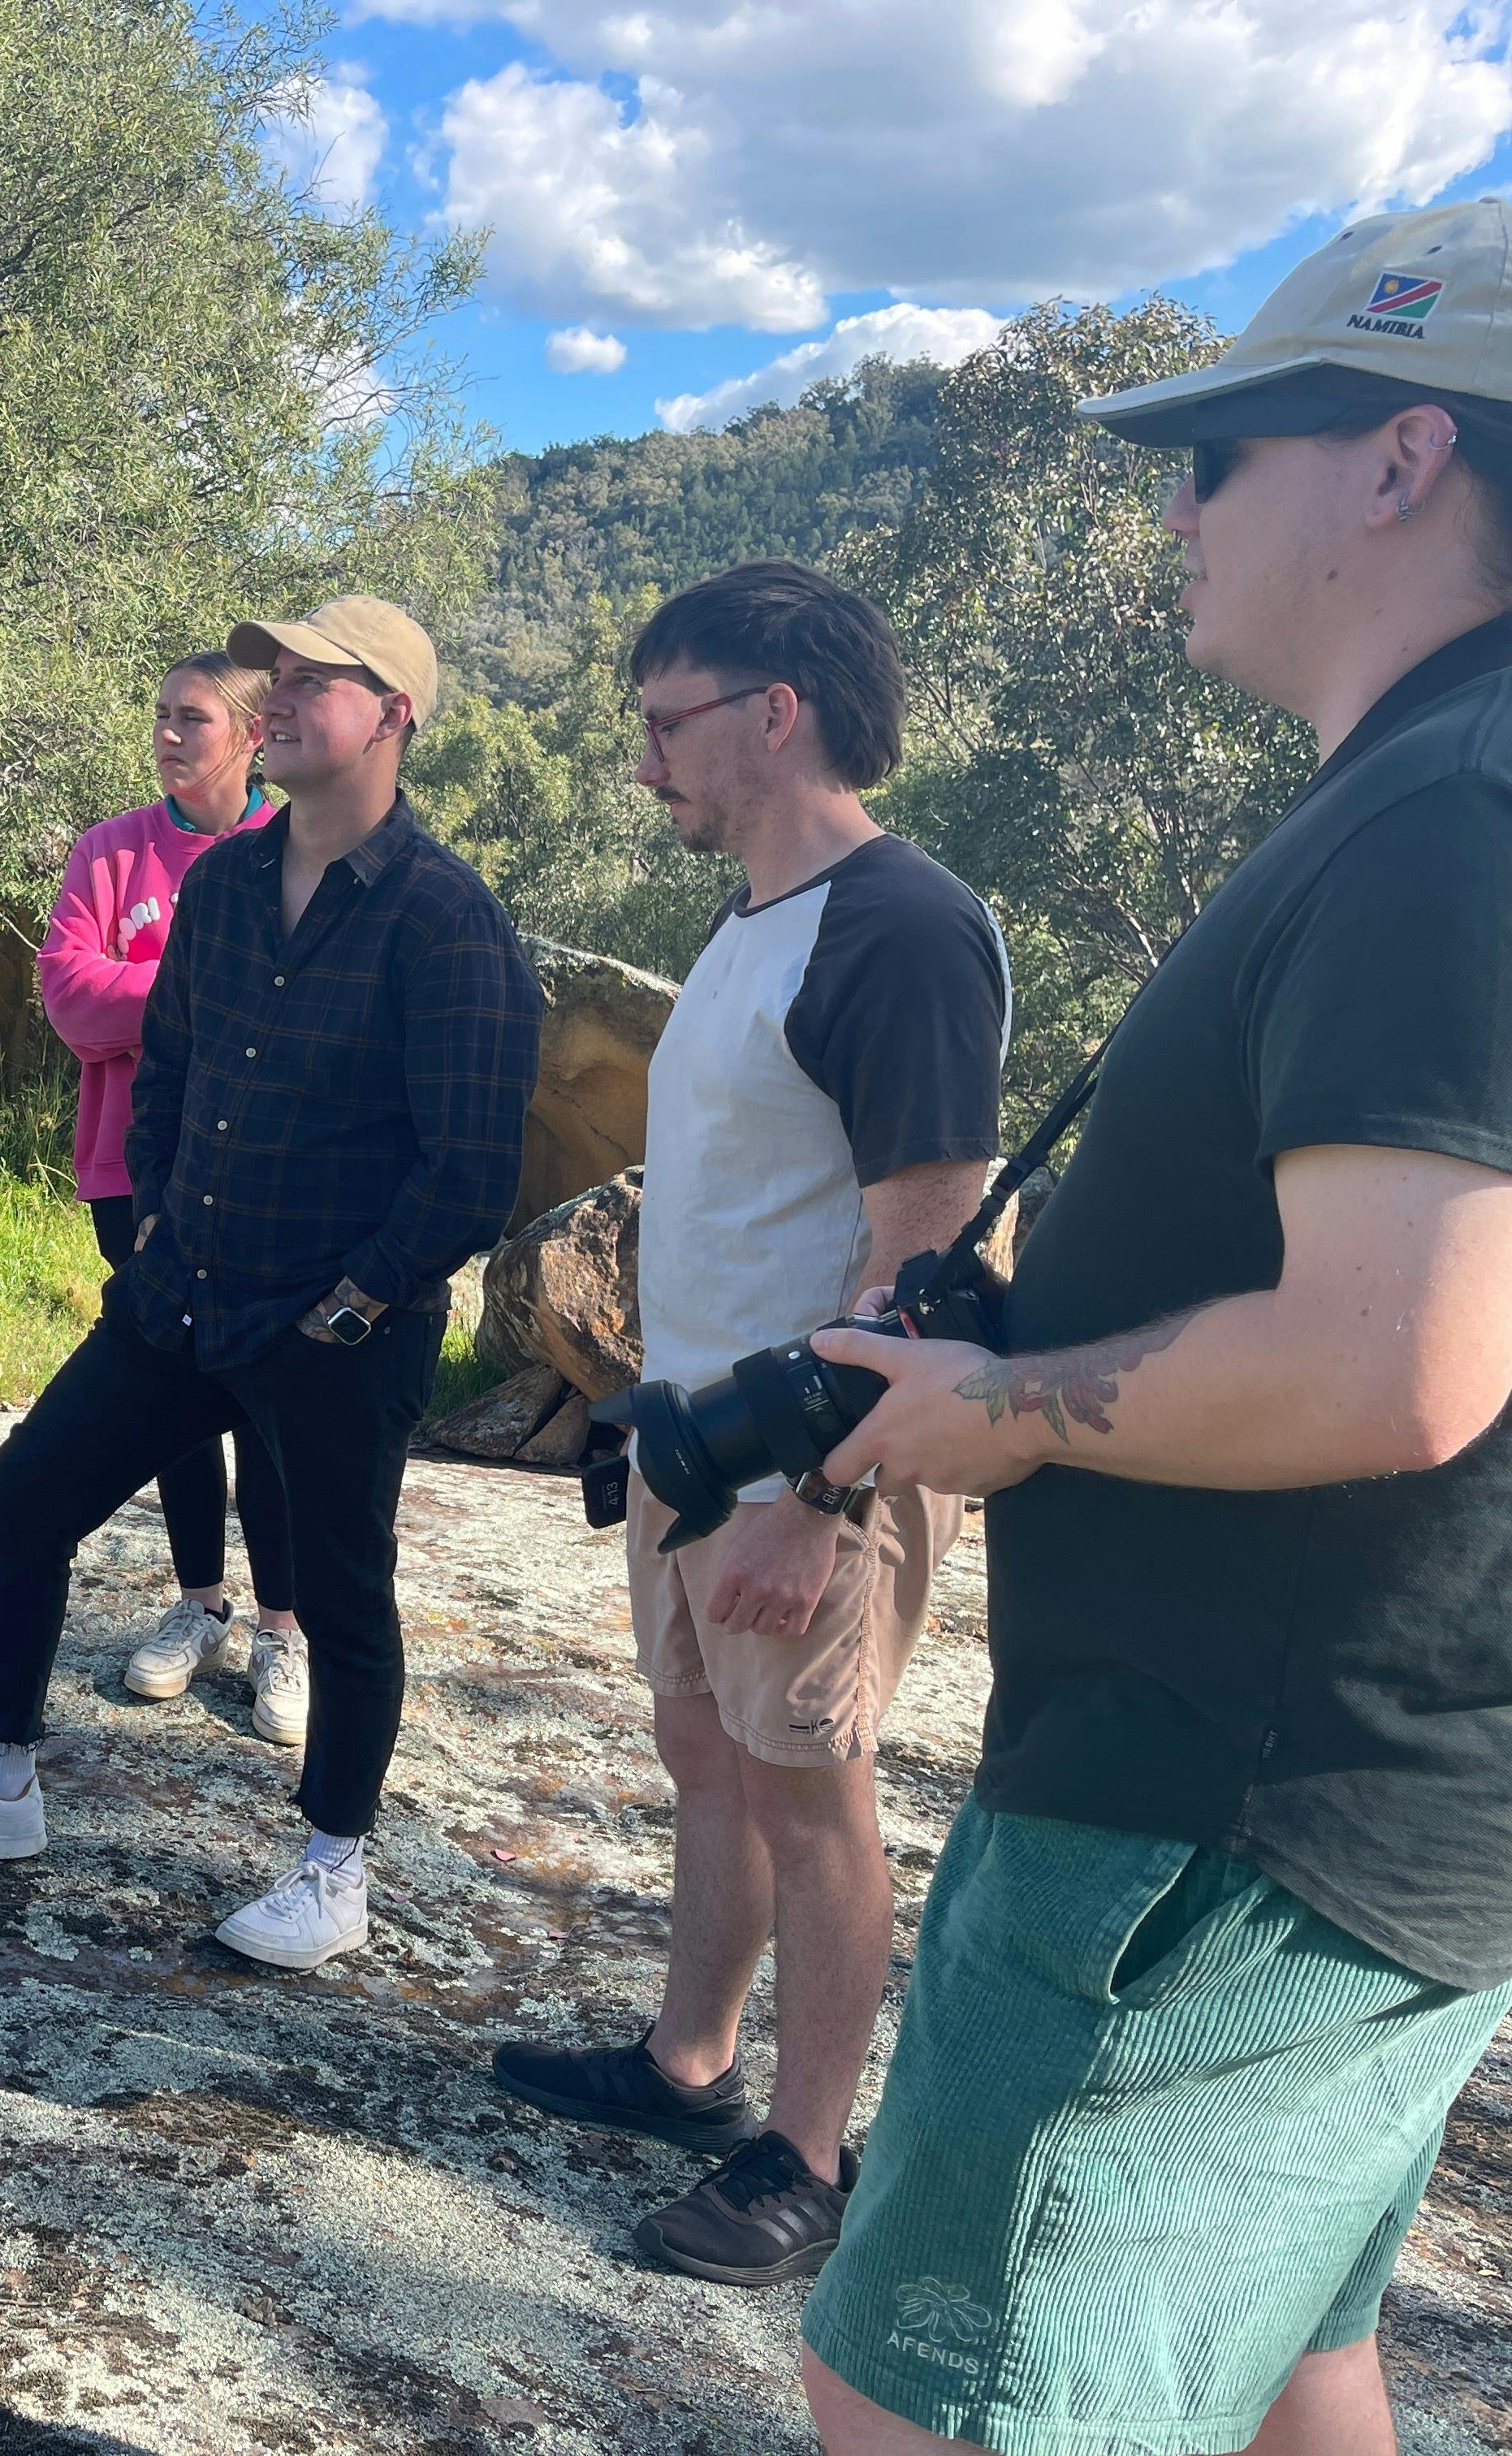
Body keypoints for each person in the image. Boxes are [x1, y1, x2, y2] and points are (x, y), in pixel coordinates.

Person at [788, 199, 1512, 2456]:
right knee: (1286, 2373)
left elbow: (1392, 1358)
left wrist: (1002, 1408)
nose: (1177, 507)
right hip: (1394, 1800)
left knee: (927, 2401)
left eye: (1220, 455)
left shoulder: (1467, 808)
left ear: (1404, 457)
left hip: (1221, 1829)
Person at [0, 598, 540, 1974]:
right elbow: (164, 1070)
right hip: (183, 1295)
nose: (279, 697)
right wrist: (156, 1218)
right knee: (21, 1498)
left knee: (339, 1593)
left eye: (316, 679)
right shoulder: (224, 885)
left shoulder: (447, 918)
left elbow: (469, 1168)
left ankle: (332, 1868)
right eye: (275, 675)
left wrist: (352, 1305)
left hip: (336, 1330)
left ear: (395, 714)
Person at [487, 562, 1009, 2288]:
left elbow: (923, 1264)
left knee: (811, 1796)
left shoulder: (903, 927)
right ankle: (686, 2066)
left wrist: (820, 1500)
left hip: (810, 1465)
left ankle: (808, 2157)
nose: (646, 762)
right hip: (698, 1439)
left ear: (774, 713)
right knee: (705, 1755)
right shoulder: (750, 920)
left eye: (666, 723)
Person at [37, 652, 304, 1732]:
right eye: (160, 716)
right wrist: (199, 990)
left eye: (192, 718)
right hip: (130, 1170)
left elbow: (299, 1015)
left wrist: (144, 987)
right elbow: (69, 998)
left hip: (263, 1183)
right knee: (173, 1394)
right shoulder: (111, 851)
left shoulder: (297, 851)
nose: (167, 734)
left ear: (252, 735)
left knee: (268, 1399)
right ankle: (200, 1603)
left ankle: (285, 1627)